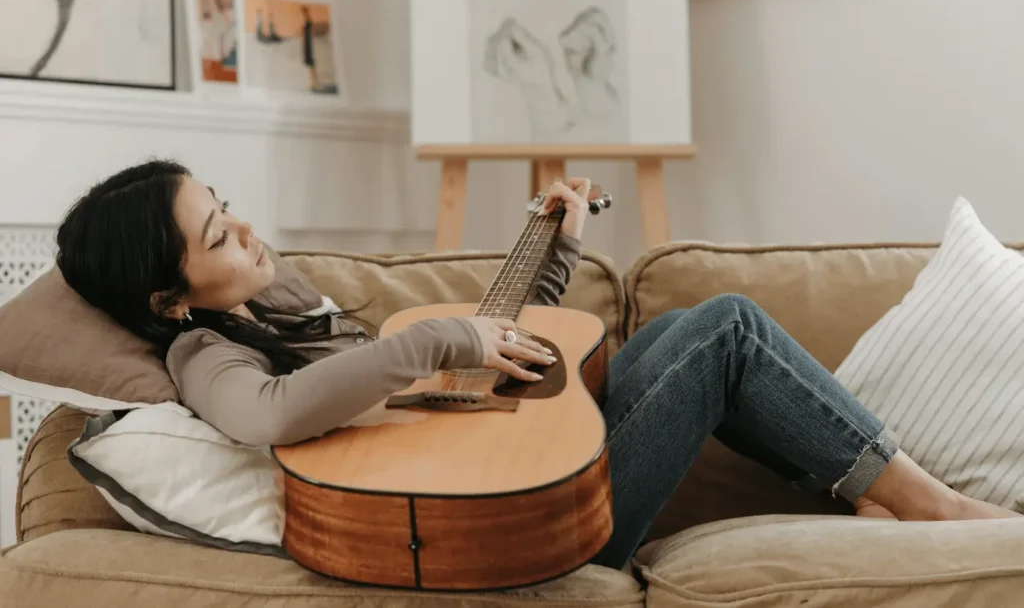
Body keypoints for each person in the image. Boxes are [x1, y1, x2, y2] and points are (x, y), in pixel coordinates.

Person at [55, 160, 1020, 570]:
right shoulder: (199, 351)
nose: (249, 231)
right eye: (220, 234)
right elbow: (271, 415)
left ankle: (878, 487)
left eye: (227, 205)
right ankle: (936, 505)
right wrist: (436, 340)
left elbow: (454, 382)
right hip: (510, 539)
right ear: (167, 297)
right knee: (723, 329)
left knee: (693, 330)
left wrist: (549, 247)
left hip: (506, 493)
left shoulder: (279, 304)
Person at [300, 5, 316, 91]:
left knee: (312, 68)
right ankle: (313, 84)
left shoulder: (309, 29)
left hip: (310, 51)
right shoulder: (308, 30)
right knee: (311, 68)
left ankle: (313, 84)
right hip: (309, 50)